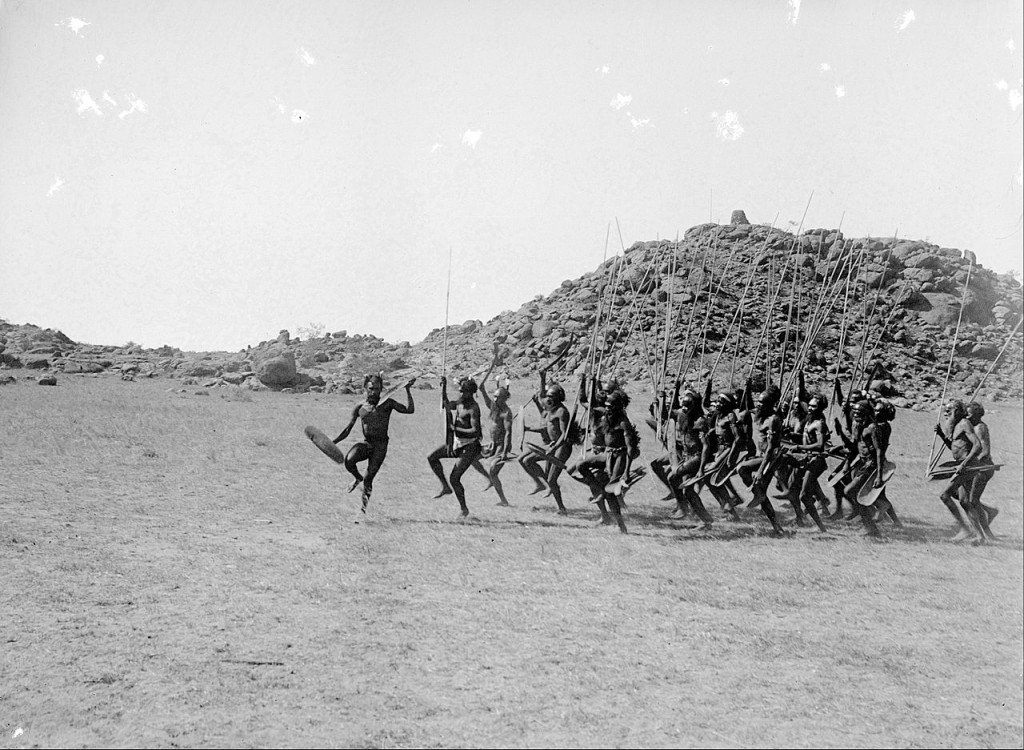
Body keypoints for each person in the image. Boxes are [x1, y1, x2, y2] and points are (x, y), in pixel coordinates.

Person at [333, 373, 416, 512]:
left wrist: (408, 390)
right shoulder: (360, 407)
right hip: (367, 443)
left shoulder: (387, 403)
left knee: (368, 479)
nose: (374, 392)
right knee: (348, 461)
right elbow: (348, 429)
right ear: (365, 387)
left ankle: (363, 509)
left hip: (380, 447)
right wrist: (333, 442)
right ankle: (356, 478)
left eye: (377, 389)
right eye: (371, 388)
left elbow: (409, 410)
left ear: (381, 389)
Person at [427, 376, 484, 518]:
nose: (460, 394)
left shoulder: (473, 409)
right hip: (457, 443)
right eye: (460, 391)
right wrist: (444, 387)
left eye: (463, 392)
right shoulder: (459, 403)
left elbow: (475, 431)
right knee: (432, 457)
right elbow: (446, 405)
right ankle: (445, 487)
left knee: (455, 477)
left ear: (470, 393)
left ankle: (464, 510)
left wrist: (455, 430)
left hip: (470, 446)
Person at [735, 386, 787, 535]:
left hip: (772, 458)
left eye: (762, 403)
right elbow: (747, 407)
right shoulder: (760, 415)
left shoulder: (773, 420)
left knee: (742, 468)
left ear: (770, 405)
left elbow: (770, 449)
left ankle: (759, 495)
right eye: (758, 402)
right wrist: (748, 388)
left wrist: (759, 471)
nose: (759, 405)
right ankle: (777, 527)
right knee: (762, 494)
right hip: (761, 455)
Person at [934, 400, 985, 543]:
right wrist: (941, 435)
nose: (946, 414)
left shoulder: (964, 424)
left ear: (956, 410)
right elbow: (955, 447)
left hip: (967, 466)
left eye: (948, 411)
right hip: (962, 465)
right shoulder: (957, 425)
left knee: (945, 495)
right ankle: (980, 536)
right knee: (964, 501)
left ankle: (965, 529)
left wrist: (964, 463)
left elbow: (977, 446)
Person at [784, 393, 830, 532]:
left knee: (804, 495)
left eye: (813, 406)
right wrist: (792, 435)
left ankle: (821, 527)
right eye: (809, 405)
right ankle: (800, 518)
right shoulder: (809, 421)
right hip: (805, 459)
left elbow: (820, 445)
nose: (809, 408)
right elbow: (806, 437)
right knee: (791, 489)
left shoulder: (819, 424)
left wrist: (799, 447)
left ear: (820, 408)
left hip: (816, 461)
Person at [478, 372, 515, 508]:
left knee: (493, 469)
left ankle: (503, 500)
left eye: (497, 397)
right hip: (492, 445)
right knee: (471, 458)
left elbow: (508, 433)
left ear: (504, 399)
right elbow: (487, 401)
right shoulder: (494, 407)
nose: (494, 399)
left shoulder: (506, 413)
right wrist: (481, 389)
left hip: (501, 446)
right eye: (494, 396)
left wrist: (505, 451)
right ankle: (489, 479)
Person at [965, 401, 998, 539]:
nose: (967, 417)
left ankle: (987, 533)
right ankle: (990, 512)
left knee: (972, 501)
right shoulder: (972, 426)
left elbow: (985, 451)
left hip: (982, 468)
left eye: (969, 414)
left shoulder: (980, 428)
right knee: (968, 498)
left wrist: (970, 463)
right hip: (976, 467)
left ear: (977, 415)